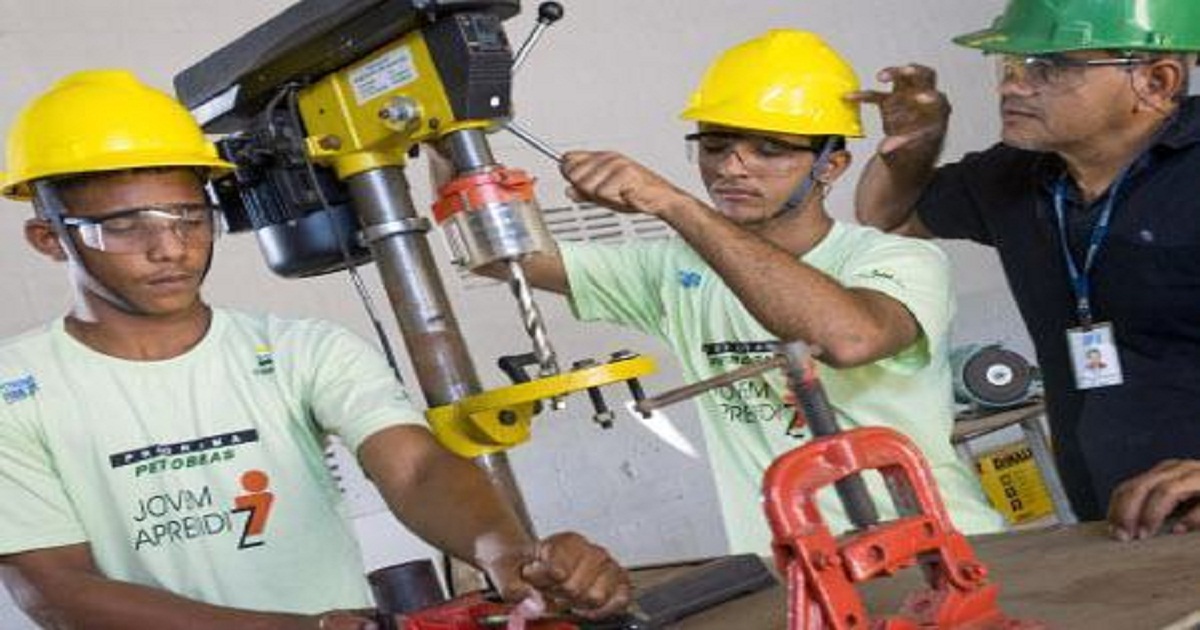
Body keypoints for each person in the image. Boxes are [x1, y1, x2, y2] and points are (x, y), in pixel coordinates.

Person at [0, 70, 630, 629]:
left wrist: (509, 555)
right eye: (124, 225)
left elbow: (415, 470)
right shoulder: (16, 387)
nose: (170, 249)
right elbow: (55, 589)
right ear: (48, 239)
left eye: (188, 218)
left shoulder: (302, 351)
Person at [475, 29, 1004, 555]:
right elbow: (503, 254)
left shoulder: (896, 259)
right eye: (715, 145)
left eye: (770, 149)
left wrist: (675, 204)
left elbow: (851, 338)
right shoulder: (677, 270)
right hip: (799, 576)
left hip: (940, 555)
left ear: (832, 166)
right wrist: (454, 134)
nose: (731, 167)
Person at [852, 0, 1200, 537]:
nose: (1012, 86)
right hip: (1116, 530)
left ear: (1155, 81)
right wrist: (915, 147)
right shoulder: (1017, 176)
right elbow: (886, 216)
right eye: (1009, 65)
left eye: (1051, 66)